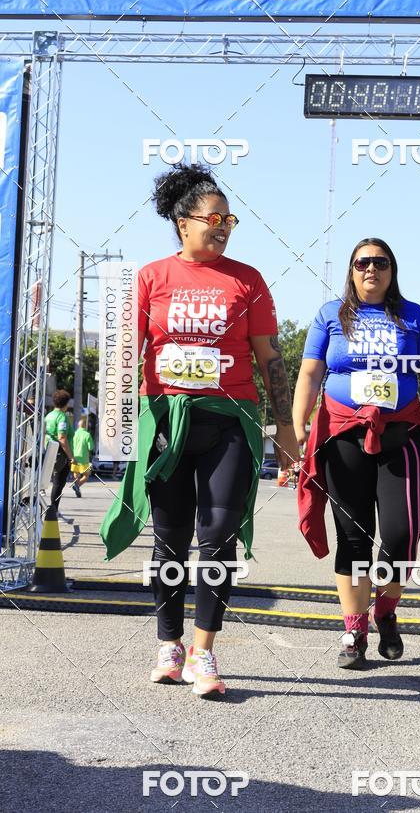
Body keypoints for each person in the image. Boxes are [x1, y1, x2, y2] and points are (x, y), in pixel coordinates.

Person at [100, 163, 298, 698]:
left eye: (230, 218)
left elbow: (270, 358)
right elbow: (125, 354)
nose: (224, 226)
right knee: (170, 538)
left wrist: (287, 429)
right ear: (183, 222)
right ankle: (169, 643)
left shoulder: (247, 280)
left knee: (218, 538)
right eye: (215, 217)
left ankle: (203, 651)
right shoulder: (152, 277)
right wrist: (120, 423)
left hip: (231, 421)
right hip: (168, 418)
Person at [294, 238, 420, 669]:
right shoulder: (330, 315)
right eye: (363, 262)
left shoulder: (413, 316)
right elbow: (309, 374)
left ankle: (385, 609)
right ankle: (353, 629)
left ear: (392, 270)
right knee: (353, 536)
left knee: (401, 536)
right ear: (351, 270)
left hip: (401, 434)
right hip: (343, 434)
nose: (372, 269)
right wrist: (297, 430)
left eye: (381, 262)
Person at [44, 389, 75, 511]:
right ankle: (53, 510)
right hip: (61, 454)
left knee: (52, 482)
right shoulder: (62, 417)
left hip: (49, 450)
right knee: (58, 483)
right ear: (66, 403)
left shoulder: (49, 416)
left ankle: (52, 509)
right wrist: (71, 457)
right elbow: (62, 438)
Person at [70, 417, 94, 497]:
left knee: (76, 474)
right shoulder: (87, 434)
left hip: (74, 457)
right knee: (86, 475)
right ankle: (78, 485)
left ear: (78, 426)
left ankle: (77, 487)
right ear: (85, 425)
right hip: (84, 459)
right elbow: (91, 447)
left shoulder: (74, 434)